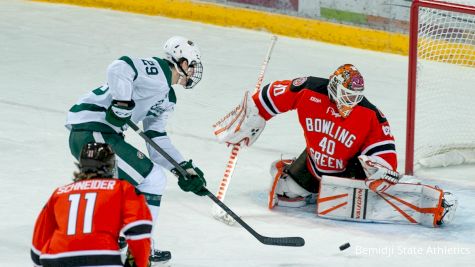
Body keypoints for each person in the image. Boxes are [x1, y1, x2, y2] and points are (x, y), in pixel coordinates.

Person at [214, 64, 457, 226]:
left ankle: (437, 201)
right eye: (347, 95)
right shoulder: (308, 89)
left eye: (356, 97)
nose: (351, 102)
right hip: (313, 165)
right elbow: (270, 96)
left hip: (348, 174)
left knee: (382, 187)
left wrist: (378, 168)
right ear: (333, 86)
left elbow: (385, 156)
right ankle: (315, 189)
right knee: (286, 193)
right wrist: (254, 118)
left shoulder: (371, 115)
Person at [65, 36, 207, 264]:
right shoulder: (157, 71)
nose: (193, 71)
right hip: (94, 131)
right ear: (180, 61)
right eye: (191, 64)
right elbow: (119, 67)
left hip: (102, 135)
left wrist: (182, 169)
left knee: (137, 183)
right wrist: (122, 103)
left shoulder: (167, 97)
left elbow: (156, 138)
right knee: (153, 180)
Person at [31, 142, 152, 267]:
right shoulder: (121, 189)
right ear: (110, 166)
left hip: (54, 259)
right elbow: (139, 231)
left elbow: (38, 242)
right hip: (101, 259)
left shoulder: (59, 193)